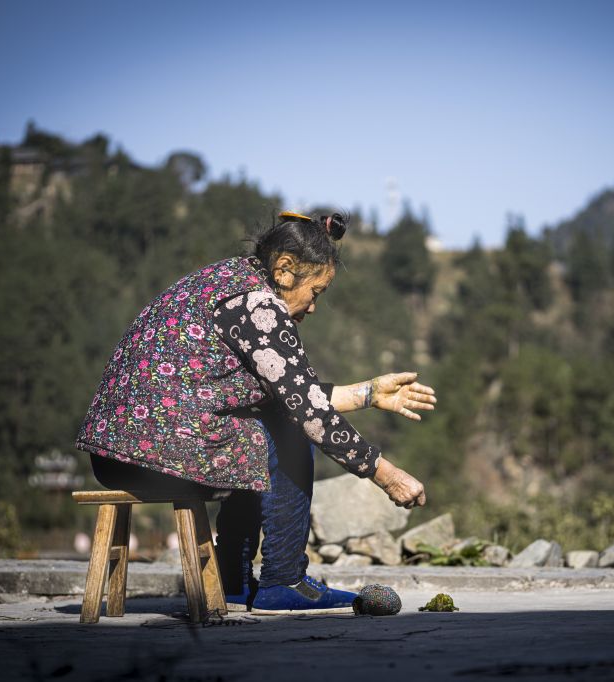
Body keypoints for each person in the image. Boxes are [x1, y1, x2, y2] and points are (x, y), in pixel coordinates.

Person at [75, 210, 433, 614]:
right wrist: (387, 475)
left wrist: (369, 393)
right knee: (288, 429)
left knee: (260, 425)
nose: (314, 307)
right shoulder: (257, 304)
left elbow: (293, 393)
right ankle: (284, 580)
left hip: (113, 457)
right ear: (285, 270)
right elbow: (305, 410)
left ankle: (235, 584)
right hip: (158, 457)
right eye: (316, 291)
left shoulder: (226, 280)